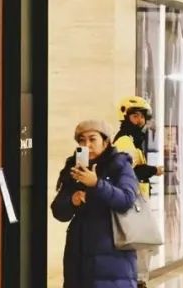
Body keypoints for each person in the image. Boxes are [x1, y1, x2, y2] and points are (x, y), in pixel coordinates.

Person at [52, 119, 140, 288]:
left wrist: (96, 184)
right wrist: (72, 200)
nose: (87, 145)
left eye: (92, 139)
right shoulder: (74, 168)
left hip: (113, 253)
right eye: (82, 140)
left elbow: (126, 200)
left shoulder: (120, 164)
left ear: (106, 142)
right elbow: (58, 211)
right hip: (78, 254)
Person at [113, 97, 164, 288]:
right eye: (135, 116)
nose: (140, 121)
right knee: (141, 242)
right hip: (132, 201)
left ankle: (138, 279)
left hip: (137, 200)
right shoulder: (125, 140)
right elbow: (129, 171)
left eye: (142, 117)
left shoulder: (133, 140)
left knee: (143, 243)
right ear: (125, 116)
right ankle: (138, 280)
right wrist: (154, 170)